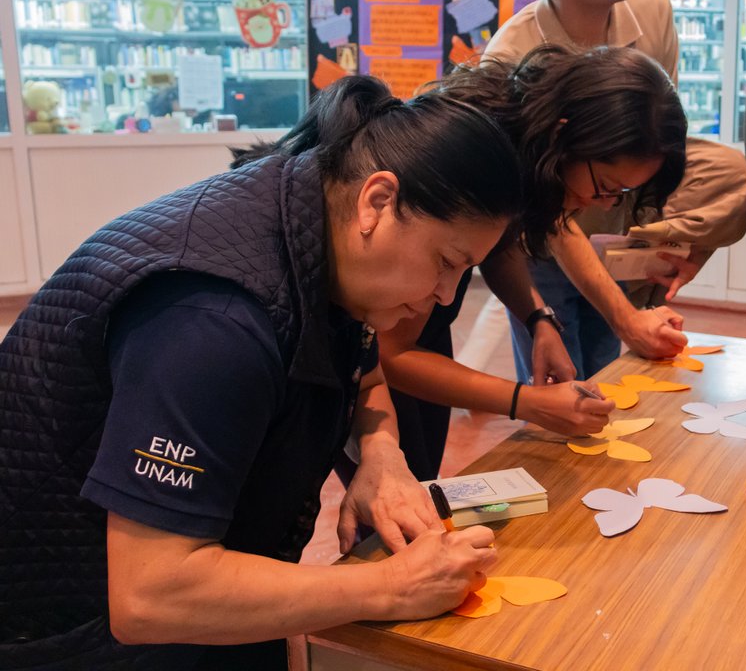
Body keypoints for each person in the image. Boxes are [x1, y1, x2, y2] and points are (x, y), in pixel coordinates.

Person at [0, 76, 520, 668]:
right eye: (447, 263)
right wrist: (391, 587)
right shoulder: (214, 323)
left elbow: (366, 374)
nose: (445, 295)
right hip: (62, 630)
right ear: (377, 203)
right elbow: (152, 593)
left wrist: (382, 457)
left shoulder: (316, 225)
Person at [487, 0, 746, 383]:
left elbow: (662, 143)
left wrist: (681, 251)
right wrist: (626, 316)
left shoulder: (653, 12)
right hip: (548, 228)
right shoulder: (512, 58)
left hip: (622, 214)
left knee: (731, 170)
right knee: (565, 386)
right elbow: (545, 210)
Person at [380, 45, 688, 478]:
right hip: (332, 346)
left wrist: (538, 318)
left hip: (391, 342)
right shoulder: (468, 155)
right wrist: (524, 402)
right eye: (604, 186)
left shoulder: (522, 146)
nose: (598, 203)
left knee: (415, 472)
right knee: (393, 487)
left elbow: (498, 245)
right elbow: (393, 355)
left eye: (620, 195)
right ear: (564, 134)